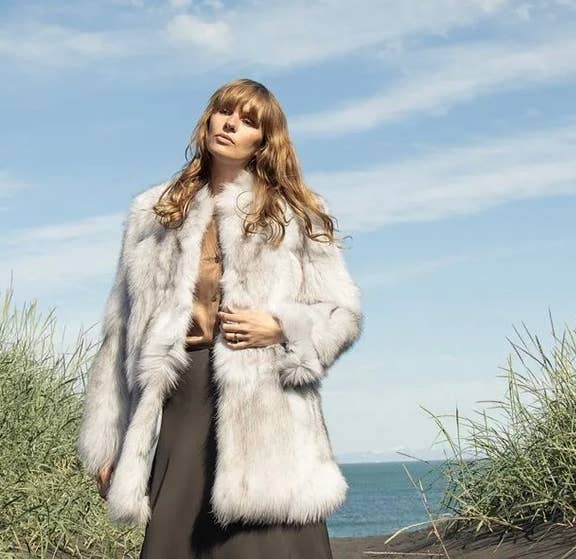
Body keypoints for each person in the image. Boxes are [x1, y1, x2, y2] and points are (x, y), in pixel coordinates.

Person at [77, 78, 363, 558]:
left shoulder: (295, 214)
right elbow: (120, 333)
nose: (231, 124)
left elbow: (342, 314)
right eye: (223, 113)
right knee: (175, 542)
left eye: (248, 121)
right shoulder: (154, 213)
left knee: (268, 548)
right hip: (179, 399)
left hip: (268, 402)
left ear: (264, 142)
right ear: (207, 120)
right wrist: (109, 441)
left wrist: (283, 327)